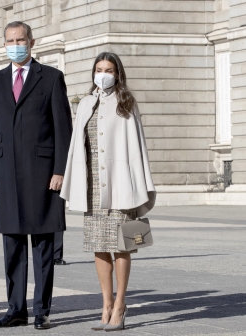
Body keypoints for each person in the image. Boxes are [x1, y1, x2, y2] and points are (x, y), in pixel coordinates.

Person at [0, 21, 72, 330]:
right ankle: (15, 309)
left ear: (32, 42)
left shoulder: (50, 78)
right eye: (10, 40)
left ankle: (42, 311)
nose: (15, 44)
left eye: (20, 39)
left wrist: (61, 169)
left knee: (44, 247)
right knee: (13, 246)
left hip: (43, 174)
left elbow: (63, 129)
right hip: (6, 174)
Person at [60, 52, 156, 331]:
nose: (104, 74)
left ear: (118, 73)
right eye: (99, 69)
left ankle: (121, 304)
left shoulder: (126, 102)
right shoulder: (86, 103)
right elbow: (77, 148)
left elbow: (138, 148)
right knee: (99, 247)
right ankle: (106, 304)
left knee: (122, 245)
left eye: (109, 69)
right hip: (92, 186)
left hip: (120, 184)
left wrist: (140, 186)